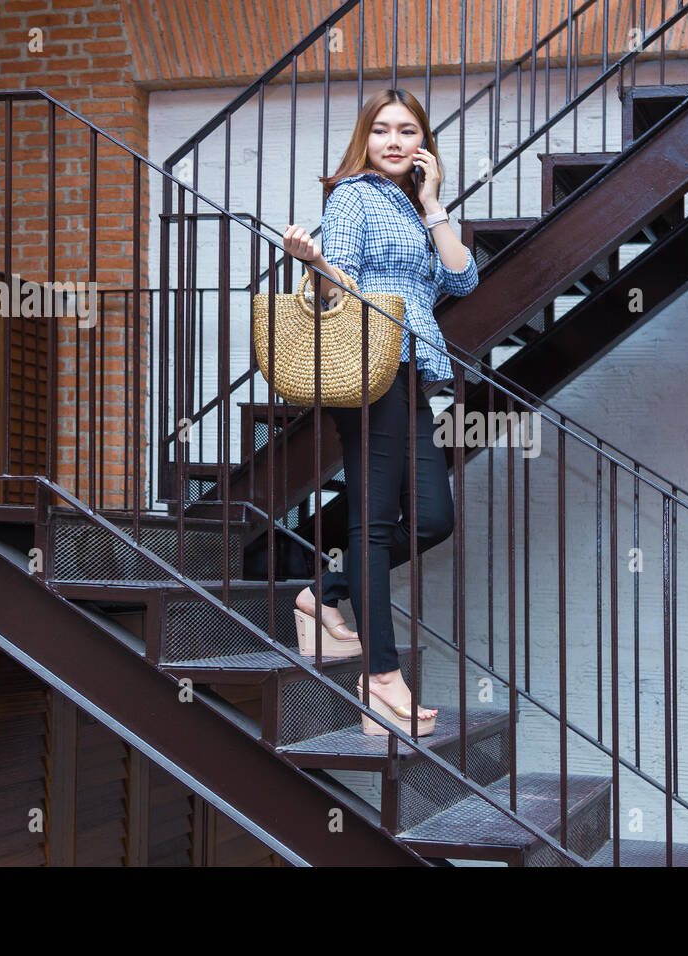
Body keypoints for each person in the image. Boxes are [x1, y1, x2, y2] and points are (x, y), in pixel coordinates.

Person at [281, 89, 479, 735]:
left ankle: (323, 595)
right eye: (382, 130)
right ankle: (382, 677)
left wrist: (432, 204)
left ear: (422, 143)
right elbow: (341, 282)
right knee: (372, 521)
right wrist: (313, 264)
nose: (393, 141)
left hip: (412, 370)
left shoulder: (410, 203)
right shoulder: (353, 195)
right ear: (365, 138)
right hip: (369, 365)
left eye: (407, 131)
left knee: (431, 518)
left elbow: (461, 280)